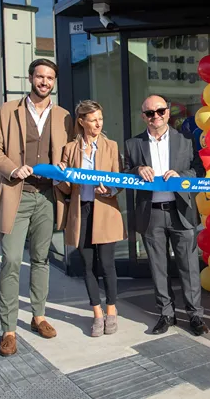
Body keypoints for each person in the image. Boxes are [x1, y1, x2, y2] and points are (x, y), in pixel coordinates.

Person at [0, 59, 71, 356]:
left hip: (48, 197)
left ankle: (38, 316)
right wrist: (11, 168)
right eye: (39, 76)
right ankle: (8, 330)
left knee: (41, 260)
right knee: (10, 259)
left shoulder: (63, 116)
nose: (44, 82)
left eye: (49, 78)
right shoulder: (6, 111)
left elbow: (70, 154)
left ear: (54, 82)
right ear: (31, 78)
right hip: (16, 196)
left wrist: (65, 166)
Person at [123, 95, 209, 336]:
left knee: (189, 267)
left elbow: (199, 170)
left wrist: (183, 175)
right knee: (158, 267)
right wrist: (137, 169)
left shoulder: (186, 140)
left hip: (180, 211)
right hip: (151, 214)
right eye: (150, 113)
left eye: (160, 111)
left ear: (168, 113)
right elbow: (124, 171)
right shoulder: (132, 144)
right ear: (143, 117)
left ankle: (195, 315)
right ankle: (166, 314)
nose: (156, 116)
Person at [56, 100, 126, 337]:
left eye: (101, 119)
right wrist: (60, 176)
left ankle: (112, 311)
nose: (98, 124)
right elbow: (65, 189)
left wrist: (110, 190)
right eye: (93, 119)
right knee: (87, 265)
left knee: (107, 264)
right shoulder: (69, 149)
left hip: (105, 210)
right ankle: (97, 314)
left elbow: (120, 181)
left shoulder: (111, 146)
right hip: (82, 210)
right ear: (82, 121)